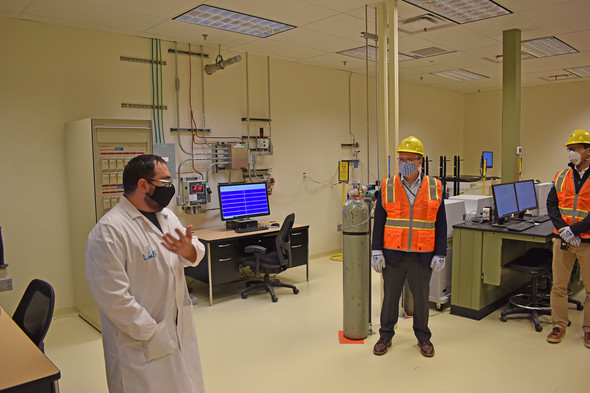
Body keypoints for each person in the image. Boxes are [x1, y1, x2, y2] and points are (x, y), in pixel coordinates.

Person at [85, 154, 207, 393]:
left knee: (185, 384)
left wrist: (188, 249)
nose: (169, 188)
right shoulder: (109, 232)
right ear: (143, 185)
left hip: (177, 327)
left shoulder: (166, 216)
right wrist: (154, 332)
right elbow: (113, 299)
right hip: (141, 342)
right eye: (164, 182)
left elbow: (195, 251)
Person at [371, 136, 447, 357]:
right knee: (390, 298)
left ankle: (424, 338)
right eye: (401, 159)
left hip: (422, 255)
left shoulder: (435, 186)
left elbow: (440, 223)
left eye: (409, 159)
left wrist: (440, 253)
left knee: (421, 300)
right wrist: (376, 251)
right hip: (393, 254)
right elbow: (379, 222)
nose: (404, 163)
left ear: (420, 161)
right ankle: (385, 336)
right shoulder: (388, 185)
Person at [546, 129, 590, 348]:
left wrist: (576, 230)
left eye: (575, 149)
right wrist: (563, 229)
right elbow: (551, 204)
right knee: (559, 286)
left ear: (588, 151)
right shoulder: (562, 176)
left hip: (587, 241)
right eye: (570, 149)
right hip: (562, 239)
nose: (571, 153)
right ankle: (559, 325)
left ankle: (588, 330)